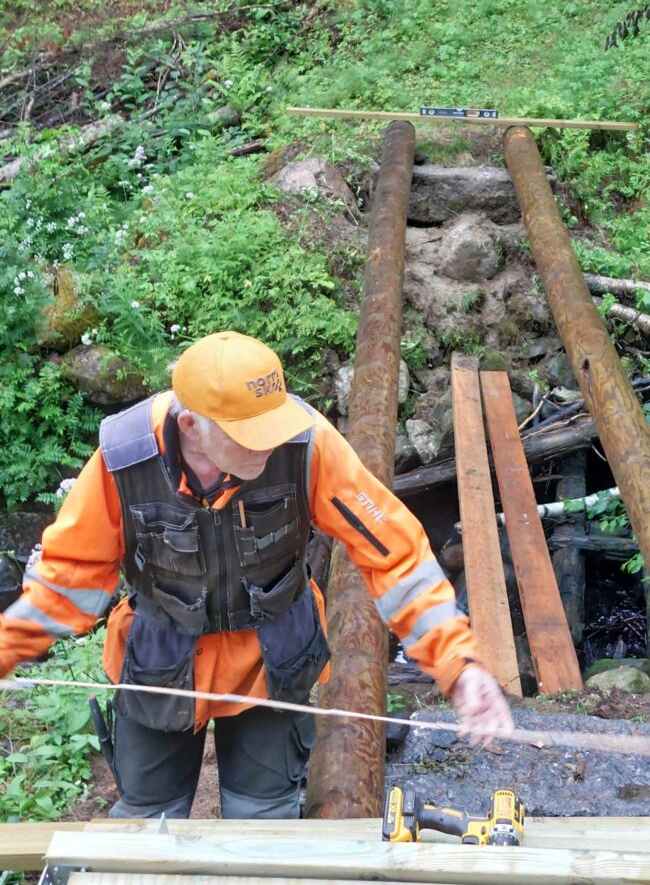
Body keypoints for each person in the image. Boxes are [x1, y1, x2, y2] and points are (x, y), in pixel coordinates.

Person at [0, 331, 513, 819]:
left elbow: (395, 555)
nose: (270, 445)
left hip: (273, 661)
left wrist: (456, 663)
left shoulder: (307, 445)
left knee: (262, 822)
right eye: (250, 436)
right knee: (148, 821)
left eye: (274, 425)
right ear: (191, 427)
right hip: (160, 659)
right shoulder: (125, 459)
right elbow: (69, 579)